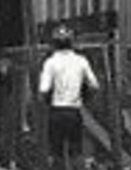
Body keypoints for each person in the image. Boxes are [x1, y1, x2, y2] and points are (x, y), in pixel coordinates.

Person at [38, 25, 99, 170]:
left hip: (56, 111)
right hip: (74, 111)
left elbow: (43, 89)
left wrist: (46, 100)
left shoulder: (50, 62)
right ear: (71, 42)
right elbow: (94, 85)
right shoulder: (81, 61)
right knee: (76, 151)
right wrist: (85, 97)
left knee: (56, 153)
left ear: (54, 43)